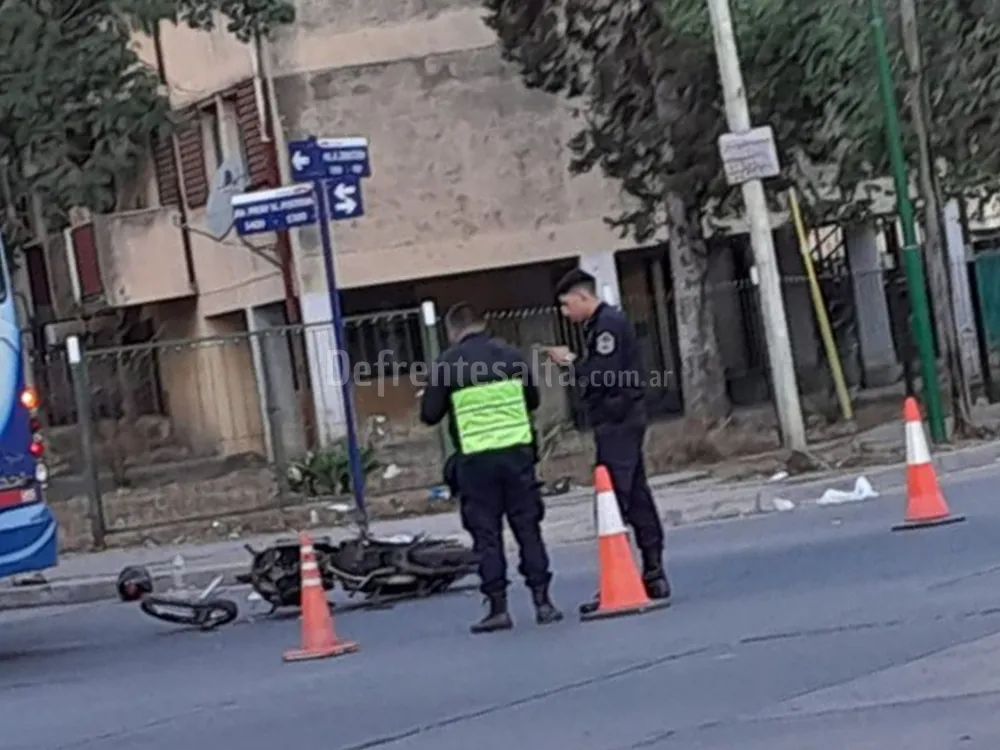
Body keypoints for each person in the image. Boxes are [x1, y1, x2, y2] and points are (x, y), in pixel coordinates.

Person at [420, 301, 563, 634]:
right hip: (517, 457)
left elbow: (429, 414)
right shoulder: (512, 356)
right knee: (528, 529)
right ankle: (543, 602)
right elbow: (533, 400)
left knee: (487, 537)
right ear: (483, 323)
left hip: (476, 462)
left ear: (453, 331)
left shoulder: (448, 363)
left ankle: (498, 609)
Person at [544, 268, 671, 610]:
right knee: (636, 493)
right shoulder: (598, 327)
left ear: (584, 297)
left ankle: (623, 577)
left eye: (567, 304)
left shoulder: (608, 326)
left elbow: (603, 375)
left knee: (613, 500)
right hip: (615, 419)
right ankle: (653, 571)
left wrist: (570, 362)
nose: (565, 313)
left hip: (619, 419)